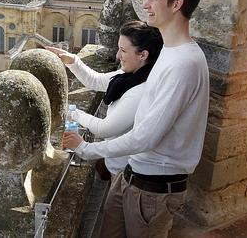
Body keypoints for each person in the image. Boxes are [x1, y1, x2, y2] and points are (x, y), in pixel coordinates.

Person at [63, 0, 210, 238]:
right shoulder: (169, 51)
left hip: (153, 188)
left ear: (176, 4)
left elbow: (145, 137)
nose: (145, 4)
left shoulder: (183, 64)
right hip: (133, 175)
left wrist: (87, 149)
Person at [46, 21, 163, 180]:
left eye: (123, 50)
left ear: (143, 55)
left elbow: (104, 129)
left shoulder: (141, 90)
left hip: (127, 174)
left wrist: (72, 112)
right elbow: (96, 81)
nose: (118, 56)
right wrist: (72, 61)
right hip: (119, 167)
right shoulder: (131, 75)